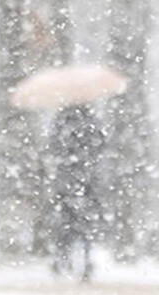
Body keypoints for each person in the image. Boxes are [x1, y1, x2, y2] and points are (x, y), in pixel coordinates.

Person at [45, 104, 104, 280]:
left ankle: (62, 260)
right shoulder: (90, 120)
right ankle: (83, 262)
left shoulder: (62, 120)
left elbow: (53, 147)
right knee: (84, 225)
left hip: (68, 181)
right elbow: (100, 145)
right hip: (85, 181)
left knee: (66, 224)